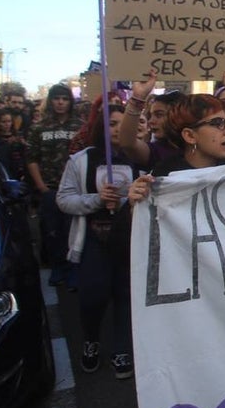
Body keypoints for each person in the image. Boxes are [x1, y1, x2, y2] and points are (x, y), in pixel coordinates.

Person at [56, 103, 142, 378]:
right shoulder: (80, 161)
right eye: (112, 123)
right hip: (93, 241)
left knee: (125, 296)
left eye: (122, 123)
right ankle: (91, 340)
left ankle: (121, 349)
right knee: (93, 296)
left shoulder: (137, 158)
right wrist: (96, 200)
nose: (118, 129)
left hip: (128, 240)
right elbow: (63, 199)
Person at [26, 84, 82, 288]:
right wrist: (42, 188)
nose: (60, 102)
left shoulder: (80, 126)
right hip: (50, 188)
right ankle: (57, 268)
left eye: (64, 99)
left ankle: (73, 270)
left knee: (74, 231)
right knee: (52, 232)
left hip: (76, 191)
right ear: (50, 101)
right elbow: (32, 159)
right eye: (56, 98)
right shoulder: (39, 127)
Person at [0, 107, 27, 180]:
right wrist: (5, 143)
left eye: (9, 121)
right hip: (3, 172)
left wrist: (23, 144)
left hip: (19, 170)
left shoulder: (17, 135)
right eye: (3, 122)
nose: (7, 124)